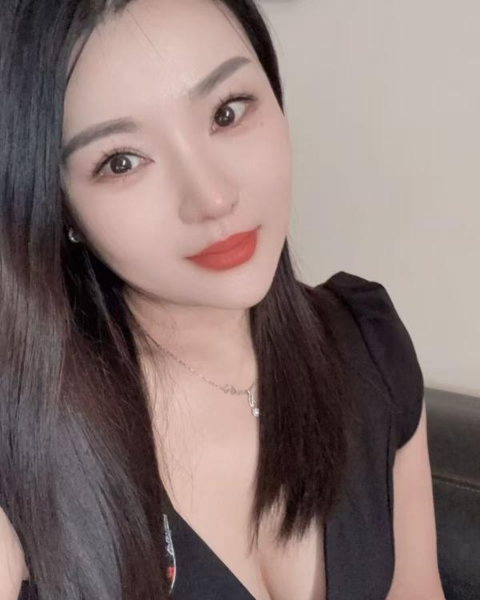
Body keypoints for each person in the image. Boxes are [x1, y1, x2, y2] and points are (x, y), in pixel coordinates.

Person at [0, 0, 446, 599]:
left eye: (227, 112)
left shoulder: (369, 346)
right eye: (121, 161)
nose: (211, 198)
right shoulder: (24, 453)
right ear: (60, 209)